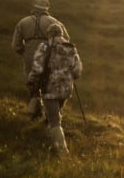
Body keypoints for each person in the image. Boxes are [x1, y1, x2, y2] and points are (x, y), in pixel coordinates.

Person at [27, 23, 83, 155]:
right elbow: (77, 71)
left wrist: (32, 80)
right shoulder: (71, 48)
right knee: (56, 114)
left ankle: (62, 152)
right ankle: (50, 138)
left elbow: (37, 67)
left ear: (50, 34)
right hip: (66, 90)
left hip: (49, 88)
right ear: (61, 34)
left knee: (54, 121)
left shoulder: (45, 46)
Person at [12, 0, 69, 118]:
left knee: (32, 82)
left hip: (29, 56)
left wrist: (25, 52)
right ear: (47, 8)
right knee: (48, 82)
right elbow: (66, 40)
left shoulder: (23, 22)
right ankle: (51, 114)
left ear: (34, 7)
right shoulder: (55, 22)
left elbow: (16, 45)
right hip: (49, 56)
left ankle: (34, 110)